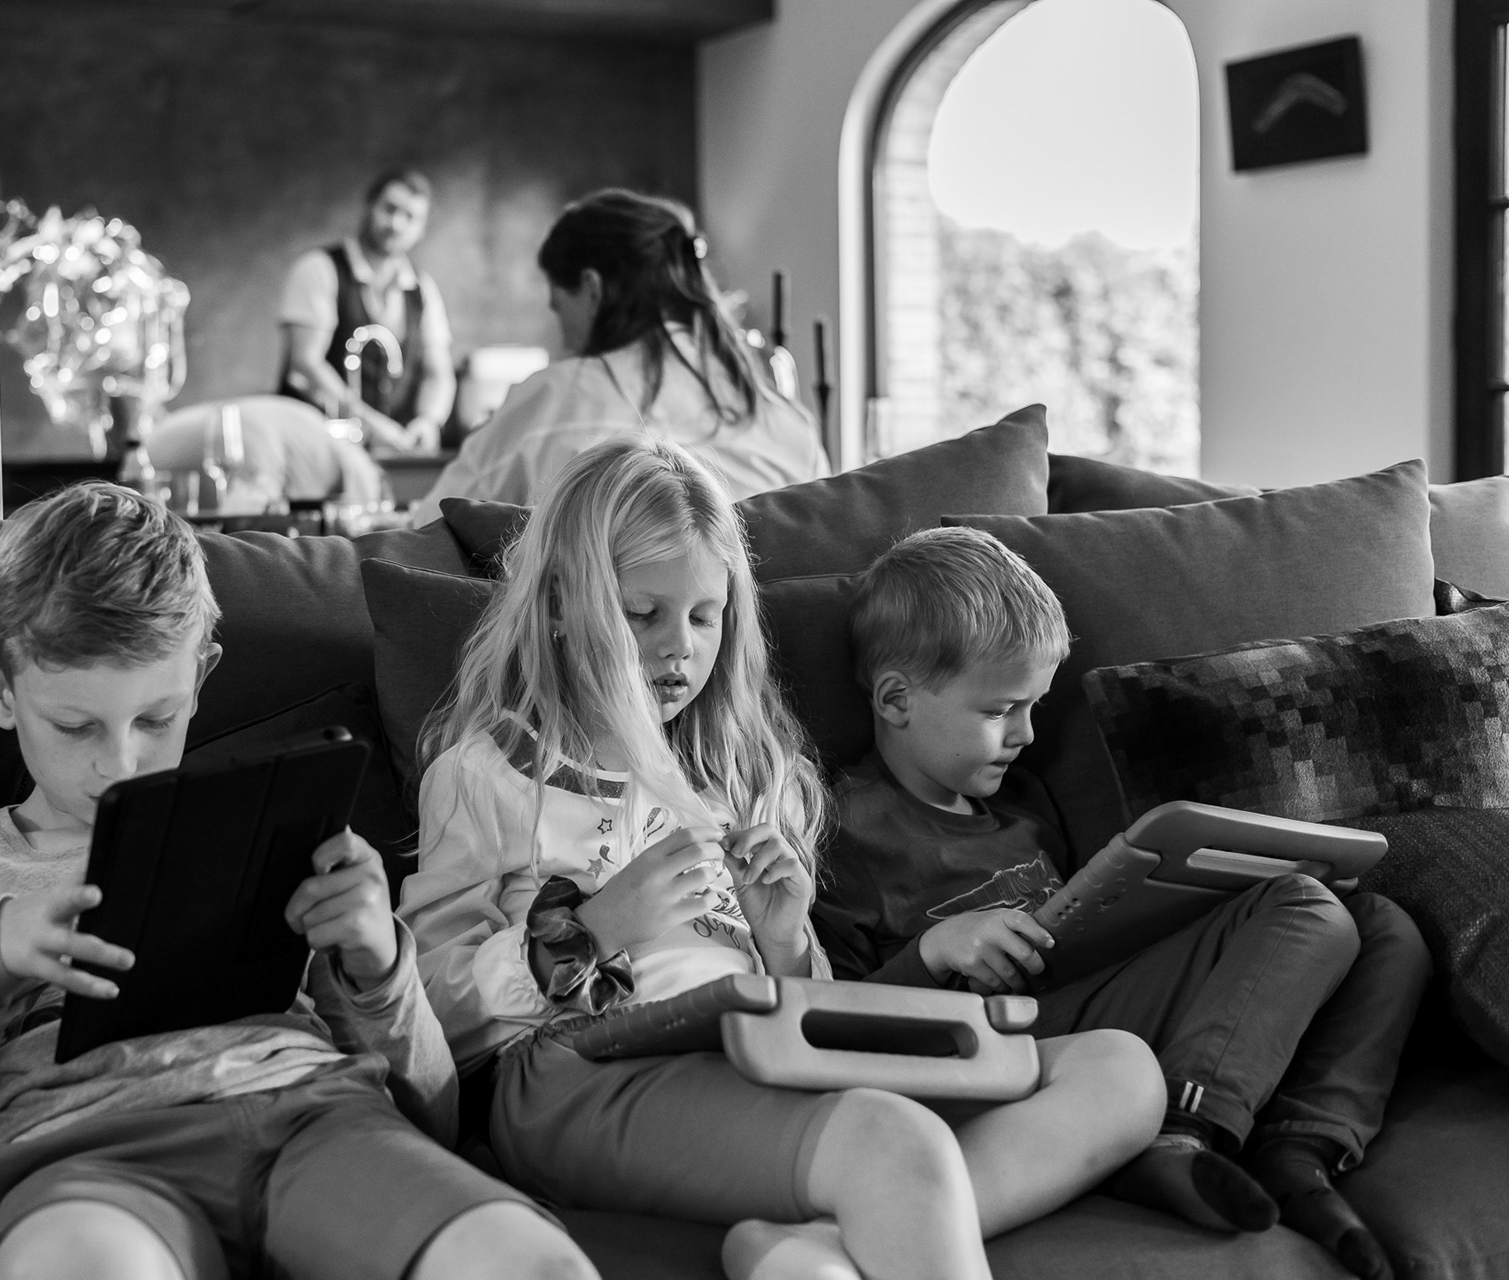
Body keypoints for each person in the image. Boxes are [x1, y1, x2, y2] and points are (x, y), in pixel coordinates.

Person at [398, 439, 1163, 1280]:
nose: (679, 649)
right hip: (582, 1069)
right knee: (889, 1140)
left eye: (704, 617)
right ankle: (879, 1198)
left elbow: (812, 1008)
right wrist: (591, 932)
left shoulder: (743, 776)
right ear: (558, 605)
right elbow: (428, 1012)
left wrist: (786, 940)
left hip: (760, 1048)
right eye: (643, 613)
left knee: (1119, 1070)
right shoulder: (488, 774)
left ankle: (832, 1240)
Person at [0, 483, 594, 1280]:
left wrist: (380, 966)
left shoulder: (270, 828)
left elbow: (437, 1119)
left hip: (315, 1116)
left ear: (201, 677)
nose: (121, 764)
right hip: (87, 1153)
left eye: (155, 719)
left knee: (531, 1265)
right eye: (75, 726)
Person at [816, 526, 1433, 1280]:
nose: (1026, 734)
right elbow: (832, 1019)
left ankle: (1303, 1145)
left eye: (1035, 706)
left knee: (1383, 926)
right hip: (1012, 1038)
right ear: (895, 700)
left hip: (1098, 991)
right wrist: (932, 951)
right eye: (1001, 710)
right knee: (1305, 909)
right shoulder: (842, 829)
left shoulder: (1021, 804)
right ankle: (1181, 1126)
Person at [411, 190, 828, 525]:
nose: (563, 335)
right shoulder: (785, 421)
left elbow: (431, 529)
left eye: (559, 306)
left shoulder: (556, 399)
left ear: (592, 289)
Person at [278, 168, 455, 455]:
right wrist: (371, 424)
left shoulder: (423, 290)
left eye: (410, 217)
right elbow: (306, 363)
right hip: (314, 450)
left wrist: (429, 421)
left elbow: (439, 373)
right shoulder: (319, 269)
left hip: (389, 454)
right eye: (389, 209)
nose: (396, 224)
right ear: (369, 207)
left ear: (422, 230)